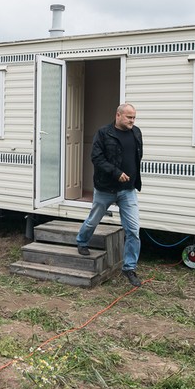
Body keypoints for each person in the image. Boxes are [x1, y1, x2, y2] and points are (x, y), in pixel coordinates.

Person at [75, 103, 144, 287]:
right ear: (118, 115)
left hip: (128, 190)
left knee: (133, 230)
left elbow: (137, 157)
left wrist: (132, 178)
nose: (132, 121)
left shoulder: (136, 133)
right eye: (129, 117)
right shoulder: (103, 133)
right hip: (105, 188)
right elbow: (96, 158)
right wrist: (116, 173)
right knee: (93, 220)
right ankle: (82, 241)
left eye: (134, 117)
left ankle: (129, 268)